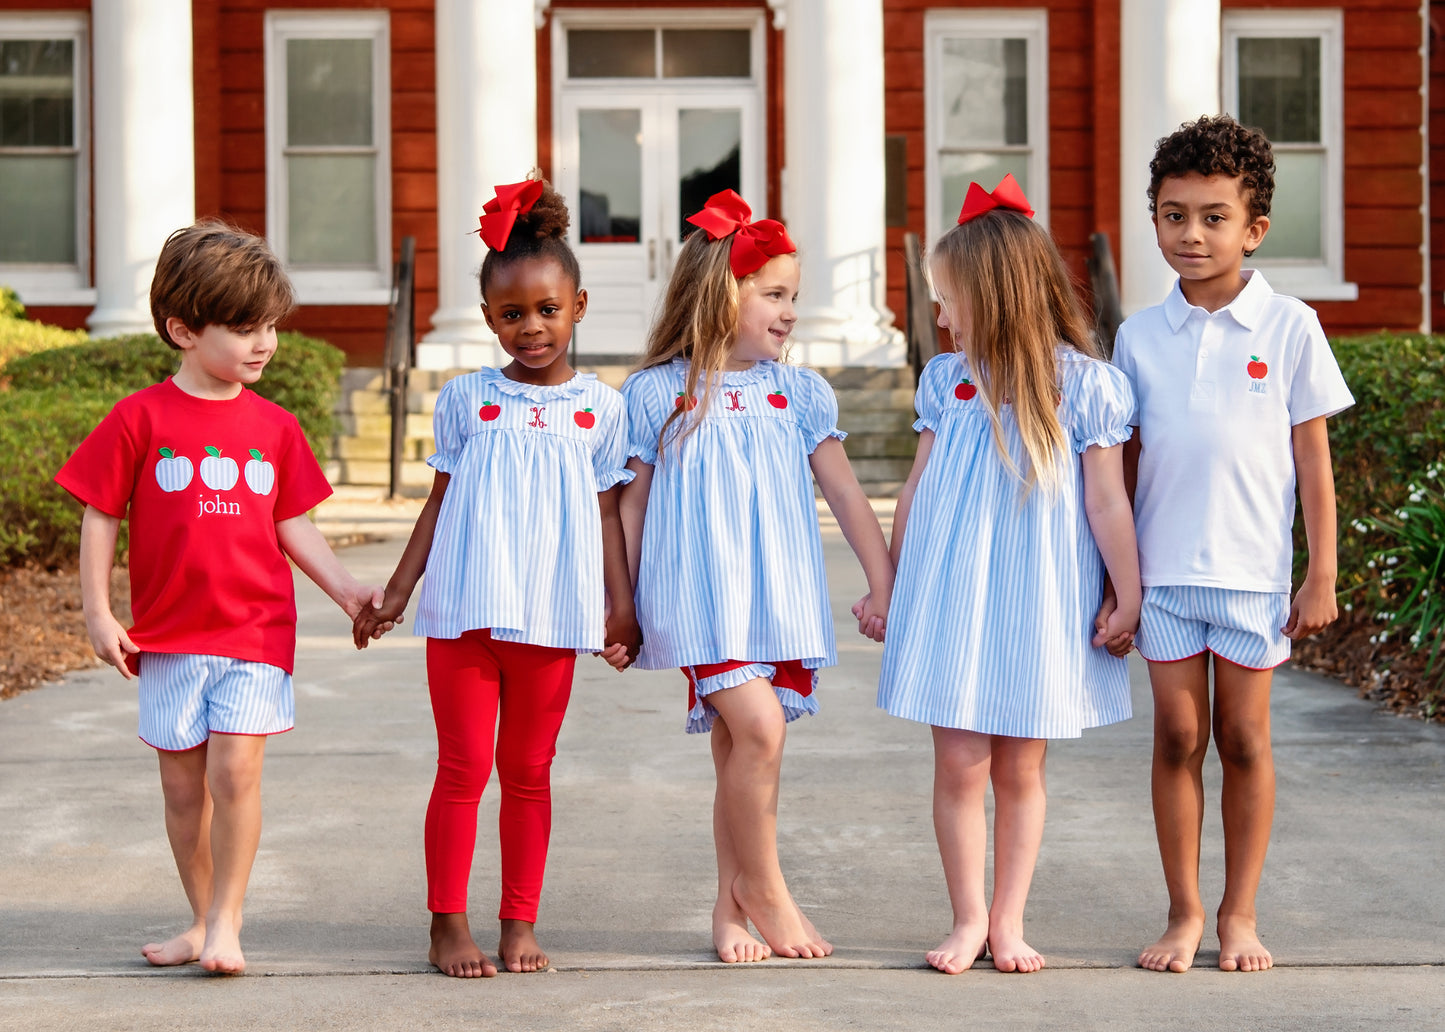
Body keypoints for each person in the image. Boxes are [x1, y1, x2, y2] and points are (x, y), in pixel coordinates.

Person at [55, 221, 388, 975]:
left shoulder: (274, 427)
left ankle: (228, 923)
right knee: (182, 791)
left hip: (254, 632)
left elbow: (291, 523)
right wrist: (99, 612)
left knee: (234, 774)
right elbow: (101, 513)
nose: (264, 342)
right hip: (168, 637)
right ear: (183, 330)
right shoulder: (139, 418)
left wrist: (346, 590)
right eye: (243, 328)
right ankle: (202, 919)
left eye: (270, 325)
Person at [352, 176, 638, 979]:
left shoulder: (600, 409)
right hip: (464, 614)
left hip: (551, 618)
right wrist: (397, 593)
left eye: (547, 309)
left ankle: (519, 920)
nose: (531, 327)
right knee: (462, 770)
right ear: (487, 318)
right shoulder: (465, 401)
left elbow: (608, 515)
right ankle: (446, 923)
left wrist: (620, 607)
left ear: (578, 307)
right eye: (512, 314)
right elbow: (438, 503)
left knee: (529, 773)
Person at [618, 189, 893, 963]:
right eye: (773, 295)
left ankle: (728, 908)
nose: (790, 312)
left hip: (774, 596)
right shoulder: (658, 392)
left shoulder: (796, 392)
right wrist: (621, 605)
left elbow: (846, 495)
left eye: (793, 297)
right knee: (761, 730)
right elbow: (629, 506)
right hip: (698, 598)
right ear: (720, 295)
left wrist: (884, 583)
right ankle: (767, 890)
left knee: (741, 748)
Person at [876, 175, 1141, 975]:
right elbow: (916, 489)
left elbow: (1107, 502)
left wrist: (1127, 592)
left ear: (991, 296)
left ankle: (1008, 922)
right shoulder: (945, 381)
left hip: (1040, 601)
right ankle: (966, 919)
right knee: (959, 763)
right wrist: (891, 586)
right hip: (951, 596)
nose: (940, 317)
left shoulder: (1085, 386)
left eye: (947, 300)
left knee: (1021, 767)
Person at [1115, 115, 1354, 974]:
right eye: (1173, 215)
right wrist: (1116, 580)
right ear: (1154, 219)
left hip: (1252, 577)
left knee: (1243, 740)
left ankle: (1238, 914)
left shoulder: (1289, 326)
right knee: (1176, 737)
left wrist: (1320, 574)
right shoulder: (1138, 337)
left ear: (1253, 229)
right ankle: (1183, 912)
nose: (1191, 233)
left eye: (1213, 217)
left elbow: (1312, 463)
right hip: (1163, 576)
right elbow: (1121, 466)